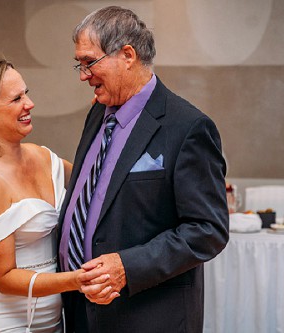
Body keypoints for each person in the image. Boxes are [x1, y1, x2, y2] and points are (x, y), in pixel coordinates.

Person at [58, 6, 229, 333]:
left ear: (127, 55)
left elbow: (208, 230)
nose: (83, 75)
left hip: (146, 314)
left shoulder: (187, 127)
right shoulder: (98, 113)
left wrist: (127, 266)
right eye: (78, 64)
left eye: (89, 62)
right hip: (81, 309)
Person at [0, 55, 109, 332]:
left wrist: (104, 122)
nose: (29, 104)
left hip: (52, 319)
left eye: (26, 94)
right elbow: (4, 278)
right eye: (16, 99)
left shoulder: (43, 157)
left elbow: (98, 182)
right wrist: (77, 280)